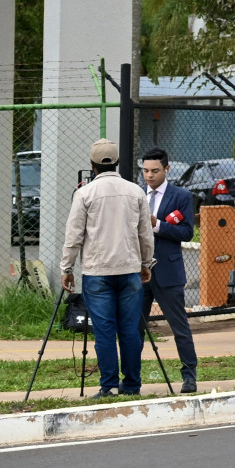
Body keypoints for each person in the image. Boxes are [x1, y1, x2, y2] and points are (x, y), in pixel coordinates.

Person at [59, 139, 155, 397]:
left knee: (104, 331)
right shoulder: (135, 191)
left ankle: (108, 385)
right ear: (118, 162)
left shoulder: (85, 194)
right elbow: (145, 234)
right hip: (129, 269)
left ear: (92, 165)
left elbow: (74, 236)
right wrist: (146, 264)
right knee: (130, 329)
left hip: (97, 272)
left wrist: (66, 267)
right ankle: (132, 385)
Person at [140, 148, 199, 393]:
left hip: (168, 271)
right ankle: (131, 378)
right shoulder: (135, 194)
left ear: (166, 169)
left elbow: (186, 232)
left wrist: (158, 225)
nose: (149, 176)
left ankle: (189, 376)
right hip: (138, 271)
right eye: (145, 171)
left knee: (179, 326)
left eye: (154, 171)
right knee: (134, 327)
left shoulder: (180, 196)